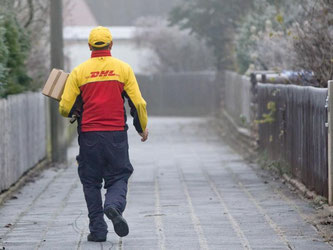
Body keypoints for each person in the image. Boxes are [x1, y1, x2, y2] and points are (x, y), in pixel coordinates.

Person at [59, 26, 148, 242]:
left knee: (91, 181)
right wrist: (141, 127)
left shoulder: (79, 72)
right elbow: (137, 103)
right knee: (119, 175)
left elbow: (64, 107)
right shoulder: (123, 69)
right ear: (111, 45)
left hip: (89, 136)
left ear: (89, 46)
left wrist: (77, 109)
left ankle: (98, 230)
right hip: (116, 135)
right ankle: (113, 206)